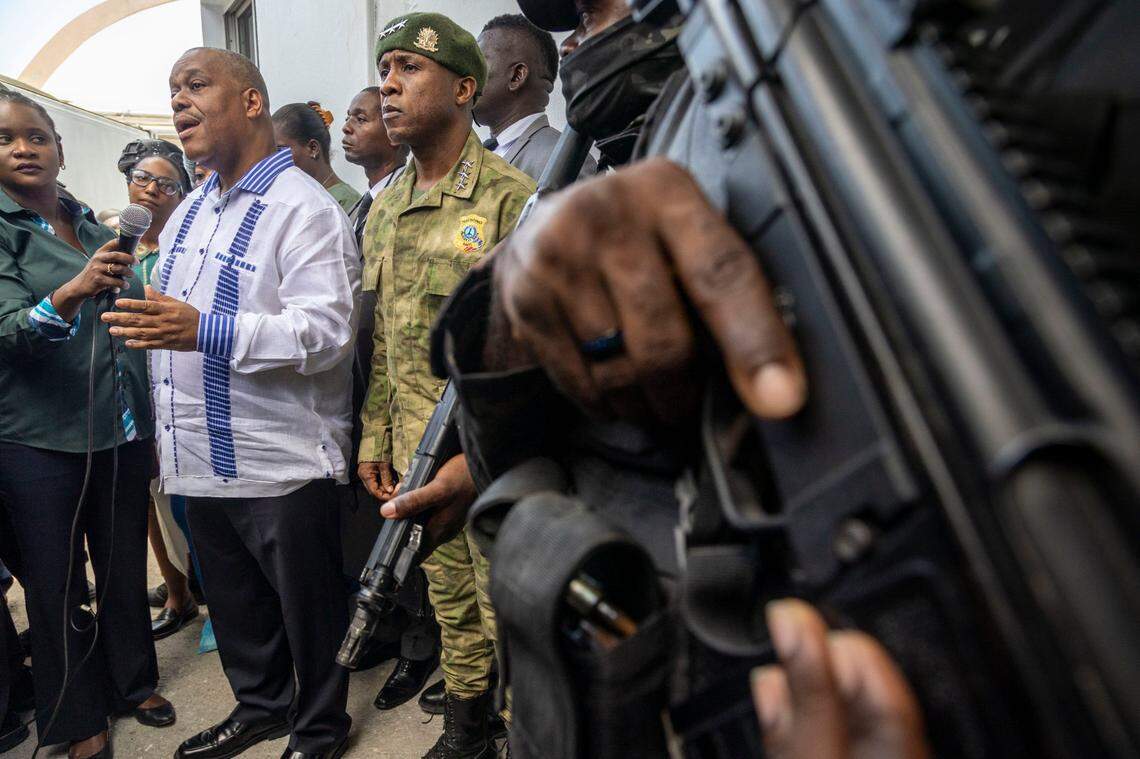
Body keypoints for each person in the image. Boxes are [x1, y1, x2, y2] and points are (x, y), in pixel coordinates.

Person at [103, 48, 359, 759]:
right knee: (239, 609)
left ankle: (318, 728)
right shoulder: (187, 215)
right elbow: (172, 319)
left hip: (280, 462)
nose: (179, 102)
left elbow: (329, 332)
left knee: (308, 613)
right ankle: (260, 706)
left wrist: (201, 329)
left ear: (251, 103)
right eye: (172, 92)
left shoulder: (304, 209)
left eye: (196, 86)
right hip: (198, 459)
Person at [358, 13, 535, 759]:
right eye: (384, 69)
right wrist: (375, 433)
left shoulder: (510, 199)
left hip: (494, 464)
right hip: (414, 452)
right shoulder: (385, 206)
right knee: (450, 603)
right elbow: (387, 340)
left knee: (515, 618)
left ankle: (531, 734)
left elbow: (535, 360)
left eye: (408, 68)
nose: (388, 85)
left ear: (466, 88)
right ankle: (467, 731)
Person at [0, 89, 175, 759]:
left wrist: (150, 424)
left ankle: (132, 681)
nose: (24, 146)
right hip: (39, 440)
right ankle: (76, 717)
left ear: (59, 148)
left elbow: (129, 330)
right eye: (6, 138)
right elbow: (8, 335)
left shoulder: (104, 230)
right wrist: (70, 292)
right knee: (57, 583)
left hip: (121, 431)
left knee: (125, 564)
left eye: (37, 135)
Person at [339, 85, 443, 712]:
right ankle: (400, 629)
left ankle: (422, 648)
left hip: (436, 409)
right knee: (384, 531)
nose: (352, 127)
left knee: (431, 545)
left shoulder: (463, 193)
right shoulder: (374, 208)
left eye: (362, 116)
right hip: (379, 395)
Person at [115, 138, 203, 641]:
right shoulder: (114, 249)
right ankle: (176, 591)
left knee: (190, 505)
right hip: (133, 394)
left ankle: (210, 592)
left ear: (182, 192)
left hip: (184, 391)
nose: (150, 190)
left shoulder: (188, 248)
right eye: (141, 179)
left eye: (165, 183)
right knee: (147, 498)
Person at [473, 14, 594, 179]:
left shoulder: (566, 162)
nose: (468, 76)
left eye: (478, 63)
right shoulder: (475, 156)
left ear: (517, 76)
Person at [272, 102, 360, 214]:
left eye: (280, 150)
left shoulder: (347, 203)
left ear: (313, 148)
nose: (274, 159)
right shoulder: (295, 198)